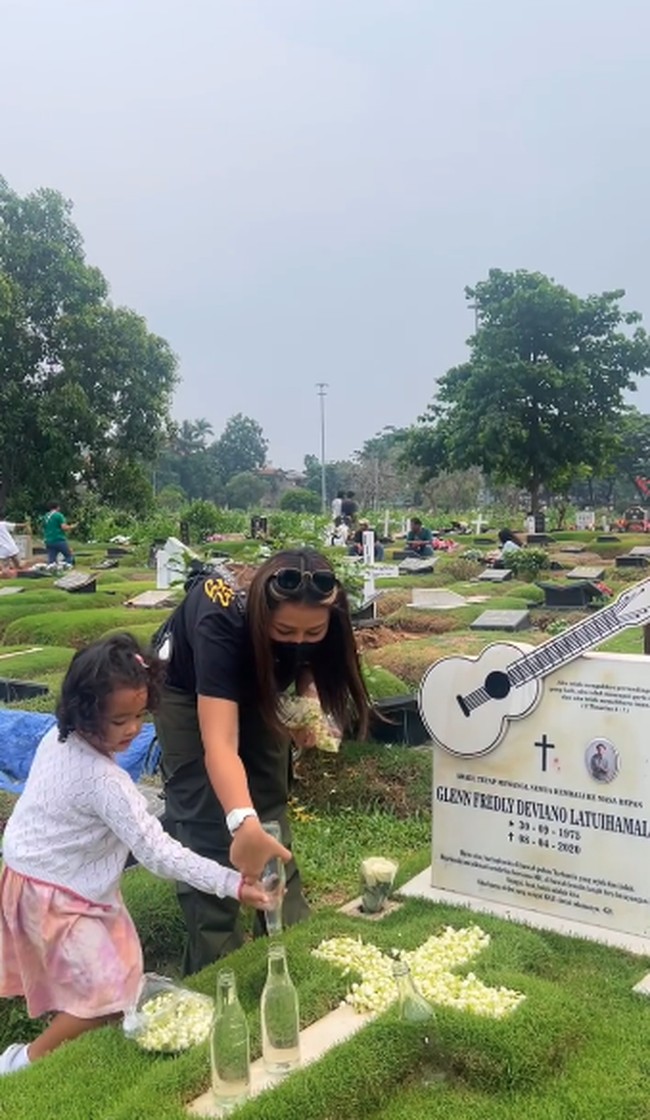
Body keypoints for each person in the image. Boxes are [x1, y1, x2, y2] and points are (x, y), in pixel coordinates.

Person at [0, 633, 270, 1076]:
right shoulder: (106, 784)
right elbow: (159, 853)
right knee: (105, 995)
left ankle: (84, 1024)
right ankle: (22, 1064)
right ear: (83, 712)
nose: (131, 730)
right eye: (118, 720)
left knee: (116, 972)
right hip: (54, 889)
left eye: (140, 716)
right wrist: (231, 883)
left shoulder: (59, 736)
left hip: (44, 873)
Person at [153, 547, 372, 974]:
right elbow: (220, 743)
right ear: (262, 611)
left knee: (268, 793)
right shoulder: (220, 620)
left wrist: (308, 699)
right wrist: (240, 821)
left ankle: (287, 936)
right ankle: (218, 962)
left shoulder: (318, 620)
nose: (298, 641)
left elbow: (306, 658)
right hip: (187, 689)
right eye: (286, 629)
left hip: (258, 679)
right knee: (206, 810)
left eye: (313, 633)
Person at [42, 501, 76, 566]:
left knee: (52, 560)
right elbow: (64, 527)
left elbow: (44, 528)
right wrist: (72, 527)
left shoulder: (45, 516)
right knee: (69, 556)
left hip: (48, 540)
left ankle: (52, 570)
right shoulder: (59, 515)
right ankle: (66, 567)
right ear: (57, 507)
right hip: (59, 539)